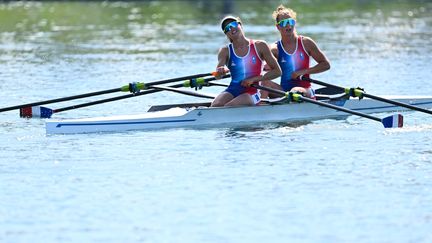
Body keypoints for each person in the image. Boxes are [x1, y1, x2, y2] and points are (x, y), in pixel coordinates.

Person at [261, 5, 330, 99]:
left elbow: (326, 65)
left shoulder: (306, 43)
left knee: (295, 90)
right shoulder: (275, 48)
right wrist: (266, 66)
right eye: (284, 23)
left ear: (294, 23)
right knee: (265, 82)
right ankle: (261, 107)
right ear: (278, 27)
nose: (288, 25)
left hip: (305, 89)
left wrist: (303, 72)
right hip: (284, 92)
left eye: (291, 22)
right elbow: (262, 62)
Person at [211, 16, 281, 107]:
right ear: (226, 34)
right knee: (216, 105)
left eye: (233, 24)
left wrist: (253, 79)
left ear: (240, 25)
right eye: (227, 28)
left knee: (229, 107)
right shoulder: (225, 51)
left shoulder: (260, 46)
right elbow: (217, 76)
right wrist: (220, 72)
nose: (231, 28)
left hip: (254, 90)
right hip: (234, 89)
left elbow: (277, 72)